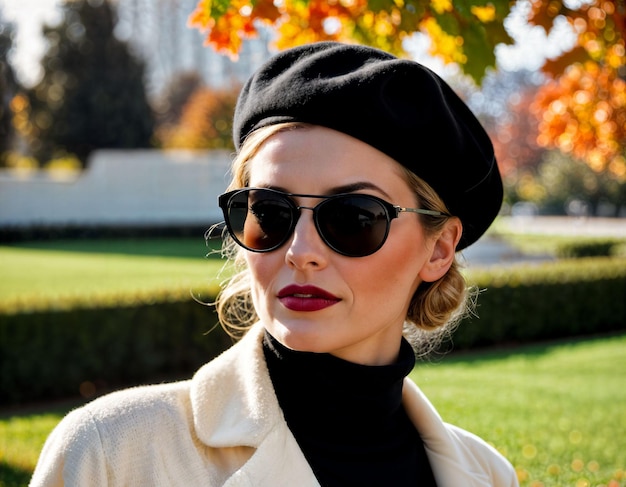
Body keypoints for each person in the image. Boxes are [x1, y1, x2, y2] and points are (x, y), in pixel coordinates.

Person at [30, 42, 518, 486]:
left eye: (353, 218)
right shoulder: (111, 453)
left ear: (439, 249)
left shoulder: (488, 474)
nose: (300, 250)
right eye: (269, 212)